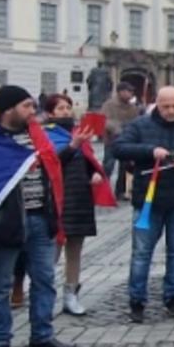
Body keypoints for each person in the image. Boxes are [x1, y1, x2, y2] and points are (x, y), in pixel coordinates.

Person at [0, 86, 80, 347]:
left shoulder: (36, 134)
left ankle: (41, 335)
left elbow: (50, 166)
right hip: (5, 222)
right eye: (27, 106)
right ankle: (0, 340)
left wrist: (70, 150)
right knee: (0, 285)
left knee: (44, 280)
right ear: (8, 109)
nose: (33, 112)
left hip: (40, 215)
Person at [111, 85, 174, 323]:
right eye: (165, 106)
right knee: (141, 254)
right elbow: (119, 148)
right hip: (148, 201)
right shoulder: (140, 125)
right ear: (157, 103)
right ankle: (137, 301)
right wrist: (150, 151)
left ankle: (173, 298)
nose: (170, 111)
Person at [40, 94, 106, 316]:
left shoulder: (78, 133)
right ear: (50, 113)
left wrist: (94, 174)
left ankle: (71, 294)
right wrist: (72, 145)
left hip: (79, 197)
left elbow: (86, 161)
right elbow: (52, 162)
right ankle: (44, 297)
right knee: (53, 250)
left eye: (68, 107)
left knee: (75, 249)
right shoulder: (46, 134)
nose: (66, 111)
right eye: (60, 108)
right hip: (58, 199)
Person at [100, 81, 143, 200]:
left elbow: (136, 122)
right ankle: (103, 192)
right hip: (111, 140)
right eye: (128, 91)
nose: (130, 94)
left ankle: (120, 191)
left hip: (126, 142)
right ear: (120, 92)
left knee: (124, 168)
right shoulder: (109, 105)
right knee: (108, 166)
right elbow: (105, 120)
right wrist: (118, 128)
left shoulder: (133, 108)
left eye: (131, 92)